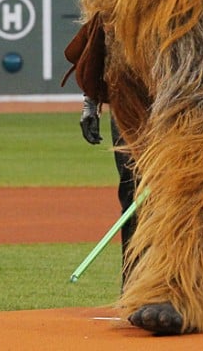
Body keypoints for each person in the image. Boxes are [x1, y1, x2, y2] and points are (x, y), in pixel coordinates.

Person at [79, 97, 138, 282]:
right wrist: (90, 104)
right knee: (133, 196)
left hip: (182, 103)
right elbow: (101, 66)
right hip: (128, 103)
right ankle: (133, 285)